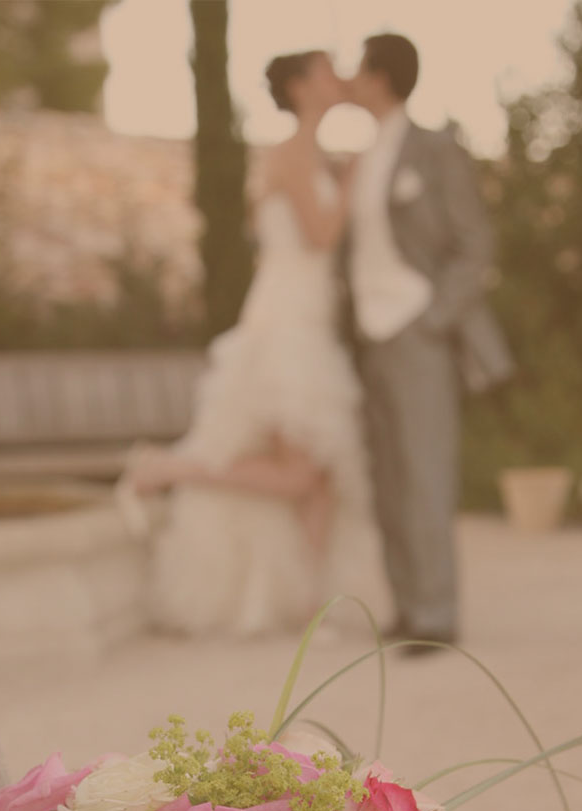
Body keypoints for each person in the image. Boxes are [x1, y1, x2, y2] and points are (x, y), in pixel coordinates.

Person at [120, 50, 371, 636]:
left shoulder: (313, 155)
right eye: (326, 72)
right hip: (285, 321)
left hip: (307, 316)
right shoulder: (292, 151)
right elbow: (319, 235)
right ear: (299, 87)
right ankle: (168, 467)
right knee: (301, 472)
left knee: (323, 476)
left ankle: (311, 608)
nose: (338, 80)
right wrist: (353, 182)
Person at [344, 33, 514, 654]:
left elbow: (475, 248)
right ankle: (409, 607)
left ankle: (438, 617)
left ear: (381, 77)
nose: (349, 78)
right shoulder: (364, 155)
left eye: (357, 68)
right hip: (370, 336)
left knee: (425, 475)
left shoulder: (434, 148)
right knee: (389, 478)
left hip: (417, 331)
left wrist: (434, 319)